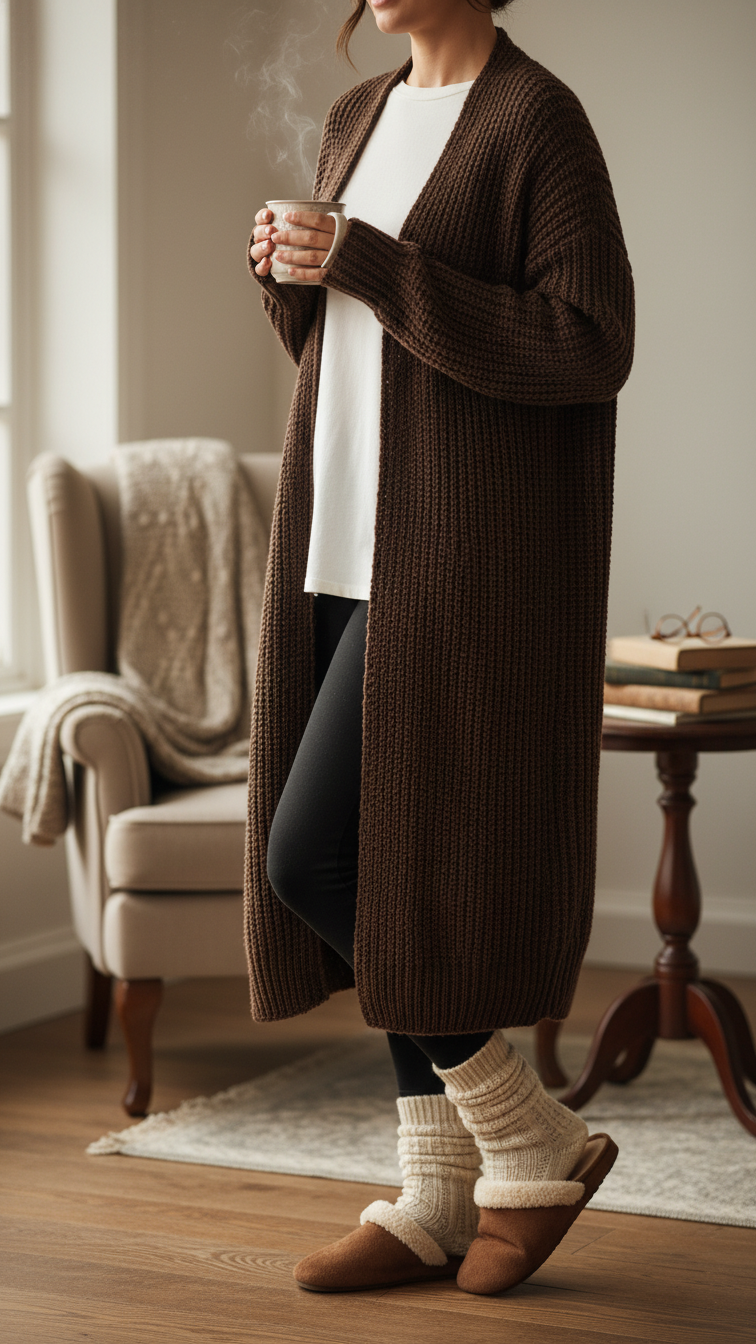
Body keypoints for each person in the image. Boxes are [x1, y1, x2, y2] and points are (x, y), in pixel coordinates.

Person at [245, 0, 634, 1296]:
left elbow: (589, 342)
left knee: (314, 855)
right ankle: (439, 1193)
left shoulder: (536, 122)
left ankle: (527, 1138)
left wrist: (371, 264)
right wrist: (293, 283)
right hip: (340, 532)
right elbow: (345, 346)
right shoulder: (356, 116)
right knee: (374, 864)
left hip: (454, 553)